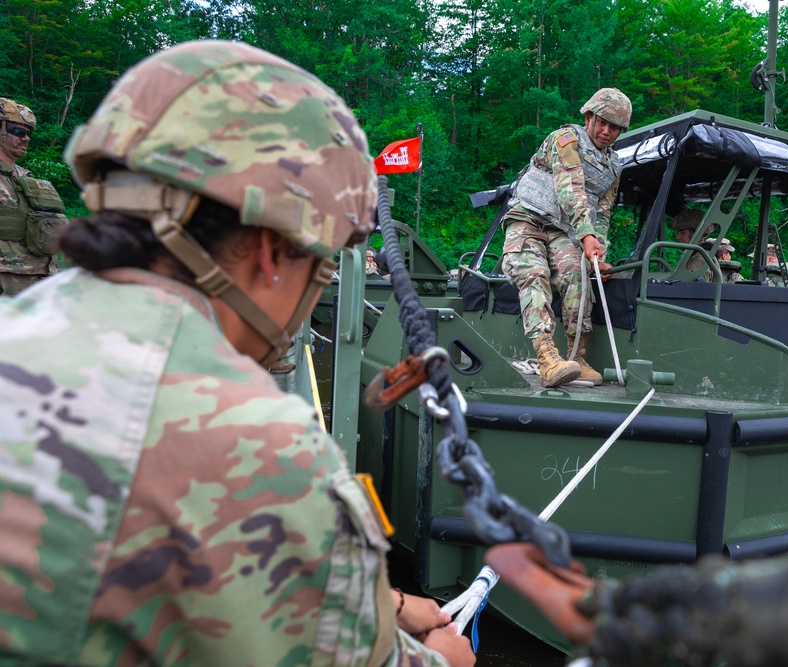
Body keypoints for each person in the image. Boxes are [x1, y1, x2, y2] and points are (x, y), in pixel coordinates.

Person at [0, 41, 474, 667]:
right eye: (322, 267)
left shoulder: (23, 328)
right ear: (273, 252)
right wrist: (442, 656)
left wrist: (374, 599)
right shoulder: (253, 441)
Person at [501, 87, 631, 388]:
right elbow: (569, 188)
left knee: (578, 277)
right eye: (602, 123)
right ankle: (547, 358)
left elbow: (603, 209)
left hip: (562, 230)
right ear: (588, 117)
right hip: (528, 220)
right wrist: (586, 236)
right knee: (534, 275)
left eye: (614, 127)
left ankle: (577, 356)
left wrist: (596, 252)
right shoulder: (566, 141)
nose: (606, 131)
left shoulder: (613, 167)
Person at [0, 97, 68, 296]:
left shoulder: (26, 177)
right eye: (19, 131)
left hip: (39, 279)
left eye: (28, 133)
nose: (26, 138)